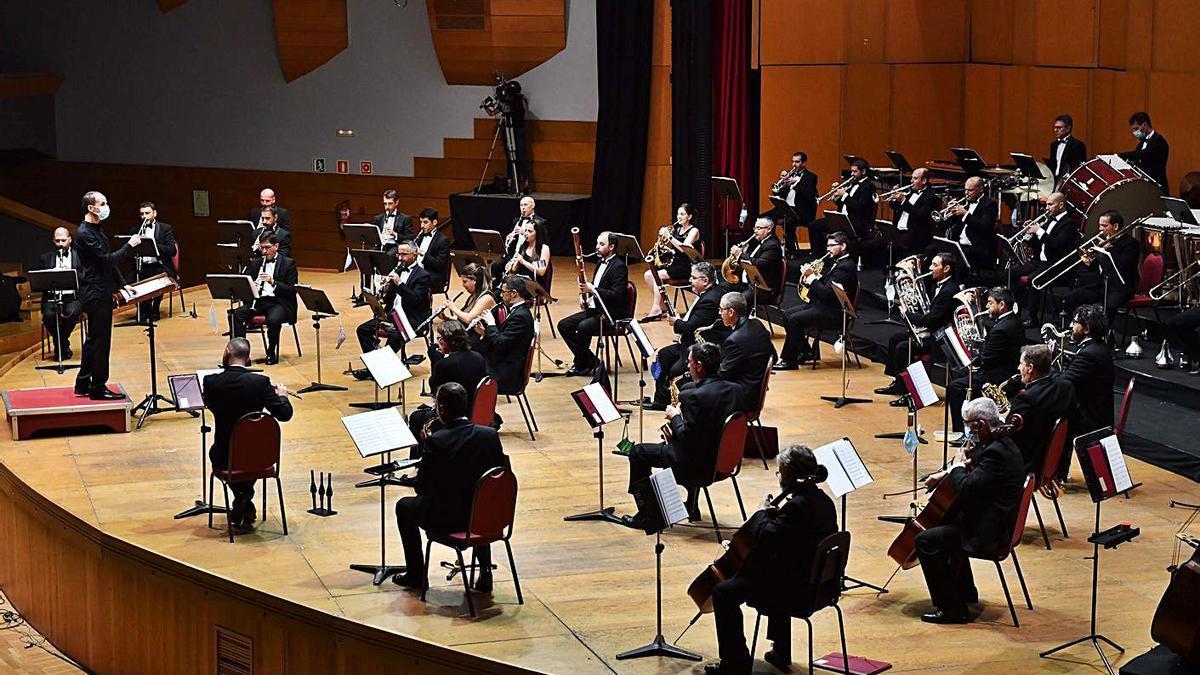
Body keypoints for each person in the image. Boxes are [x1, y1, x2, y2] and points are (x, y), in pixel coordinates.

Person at [704, 445, 838, 674]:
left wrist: (760, 512)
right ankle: (780, 652)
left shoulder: (797, 505)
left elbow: (767, 537)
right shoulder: (824, 501)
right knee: (778, 569)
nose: (780, 477)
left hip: (796, 592)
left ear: (789, 473)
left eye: (781, 472)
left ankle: (734, 664)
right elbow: (792, 537)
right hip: (821, 587)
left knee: (723, 593)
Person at [915, 397, 1025, 624]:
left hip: (988, 534)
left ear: (981, 424)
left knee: (926, 541)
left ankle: (952, 608)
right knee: (951, 524)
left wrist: (955, 467)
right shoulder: (1003, 444)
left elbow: (966, 486)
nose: (966, 431)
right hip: (996, 522)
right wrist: (947, 473)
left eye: (968, 425)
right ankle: (965, 592)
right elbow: (977, 472)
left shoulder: (994, 454)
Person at [392, 382, 508, 592]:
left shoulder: (437, 442)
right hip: (488, 518)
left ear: (442, 409)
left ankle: (416, 575)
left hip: (448, 520)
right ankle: (485, 573)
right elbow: (502, 473)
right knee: (479, 499)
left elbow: (422, 488)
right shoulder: (488, 435)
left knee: (403, 506)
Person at [622, 342, 743, 526]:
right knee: (696, 444)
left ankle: (647, 515)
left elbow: (687, 438)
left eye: (689, 362)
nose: (687, 366)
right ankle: (692, 506)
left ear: (699, 366)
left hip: (696, 465)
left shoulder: (695, 397)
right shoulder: (736, 390)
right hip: (723, 461)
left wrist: (675, 417)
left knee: (638, 452)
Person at [202, 338, 294, 529]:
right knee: (248, 455)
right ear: (249, 357)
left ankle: (242, 496)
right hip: (261, 456)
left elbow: (211, 405)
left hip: (225, 455)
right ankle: (245, 497)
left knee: (221, 454)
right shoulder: (260, 383)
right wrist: (283, 396)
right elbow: (284, 415)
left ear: (227, 352)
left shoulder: (211, 382)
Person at [74, 191, 139, 400]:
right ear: (91, 208)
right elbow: (107, 260)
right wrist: (130, 246)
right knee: (101, 342)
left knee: (94, 339)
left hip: (101, 288)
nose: (106, 207)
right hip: (95, 292)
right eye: (102, 204)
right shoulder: (84, 233)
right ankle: (98, 387)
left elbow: (109, 265)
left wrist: (123, 285)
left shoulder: (96, 230)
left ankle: (83, 383)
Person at [876, 252, 961, 398]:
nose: (930, 268)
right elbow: (929, 312)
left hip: (940, 340)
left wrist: (907, 313)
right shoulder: (938, 285)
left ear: (946, 269)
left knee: (903, 347)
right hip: (931, 332)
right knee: (895, 338)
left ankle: (908, 391)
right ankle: (899, 382)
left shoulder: (949, 290)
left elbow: (931, 320)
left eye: (935, 265)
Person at [644, 261, 723, 410]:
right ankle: (661, 401)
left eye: (693, 278)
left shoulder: (710, 301)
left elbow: (689, 327)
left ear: (705, 281)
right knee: (663, 355)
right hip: (687, 342)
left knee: (675, 370)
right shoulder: (706, 294)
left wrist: (676, 322)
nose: (690, 281)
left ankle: (680, 403)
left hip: (698, 346)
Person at [947, 287, 1024, 435]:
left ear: (1001, 305)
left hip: (996, 375)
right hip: (1002, 368)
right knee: (958, 372)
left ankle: (961, 432)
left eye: (990, 303)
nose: (987, 306)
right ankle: (973, 421)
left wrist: (973, 355)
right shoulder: (1012, 320)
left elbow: (986, 360)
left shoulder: (1002, 328)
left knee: (955, 387)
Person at [776, 232, 858, 369]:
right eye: (828, 246)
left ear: (843, 246)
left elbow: (827, 294)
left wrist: (812, 278)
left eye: (832, 246)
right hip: (823, 307)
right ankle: (806, 351)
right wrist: (811, 277)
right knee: (786, 314)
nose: (828, 249)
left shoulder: (845, 268)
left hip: (834, 314)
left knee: (794, 319)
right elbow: (826, 287)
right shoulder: (838, 264)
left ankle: (789, 360)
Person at [407, 321, 487, 460]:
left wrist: (436, 362)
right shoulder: (478, 357)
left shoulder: (444, 364)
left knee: (416, 417)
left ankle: (419, 463)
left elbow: (435, 392)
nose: (437, 342)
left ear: (446, 342)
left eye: (439, 339)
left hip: (452, 416)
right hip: (476, 410)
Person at [558, 231, 629, 376]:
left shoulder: (619, 267)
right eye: (597, 243)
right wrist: (585, 296)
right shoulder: (599, 263)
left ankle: (580, 365)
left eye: (601, 244)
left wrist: (593, 289)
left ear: (611, 247)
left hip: (610, 313)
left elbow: (616, 296)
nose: (597, 247)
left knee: (583, 327)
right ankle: (591, 361)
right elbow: (595, 289)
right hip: (596, 309)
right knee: (564, 325)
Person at [355, 241, 431, 367]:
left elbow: (415, 300)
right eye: (399, 254)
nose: (400, 258)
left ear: (415, 255)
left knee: (396, 335)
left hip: (411, 318)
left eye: (404, 254)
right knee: (363, 330)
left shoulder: (423, 276)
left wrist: (399, 283)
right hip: (392, 315)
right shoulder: (399, 270)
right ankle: (376, 365)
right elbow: (390, 297)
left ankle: (378, 367)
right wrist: (384, 291)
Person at [1008, 344, 1076, 473]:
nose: (1018, 367)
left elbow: (1011, 435)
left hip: (1026, 462)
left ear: (1030, 368)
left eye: (1021, 364)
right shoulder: (1066, 388)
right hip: (1053, 461)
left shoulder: (1026, 398)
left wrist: (1001, 418)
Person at [1063, 209, 1139, 324]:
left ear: (1116, 226)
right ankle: (1074, 330)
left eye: (1104, 225)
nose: (1100, 229)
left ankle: (1103, 336)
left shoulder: (1130, 243)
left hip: (1121, 287)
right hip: (1103, 284)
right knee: (1071, 297)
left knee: (1106, 307)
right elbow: (1100, 267)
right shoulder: (1104, 241)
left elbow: (1123, 267)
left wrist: (1110, 250)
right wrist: (1090, 262)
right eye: (1100, 225)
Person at [232, 232, 298, 365]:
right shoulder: (256, 264)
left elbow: (292, 290)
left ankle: (271, 351)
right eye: (262, 248)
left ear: (276, 246)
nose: (264, 251)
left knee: (273, 320)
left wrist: (273, 282)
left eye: (267, 247)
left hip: (279, 302)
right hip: (260, 301)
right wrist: (252, 287)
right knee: (236, 315)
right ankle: (241, 355)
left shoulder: (288, 264)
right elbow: (245, 284)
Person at [1015, 192, 1078, 326]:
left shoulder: (1069, 224)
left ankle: (1033, 318)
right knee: (1012, 272)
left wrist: (1039, 231)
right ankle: (1015, 312)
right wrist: (1030, 234)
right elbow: (1040, 245)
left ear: (1061, 205)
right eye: (1046, 204)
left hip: (1057, 265)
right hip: (1040, 262)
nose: (1047, 207)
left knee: (1033, 280)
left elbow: (1056, 245)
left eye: (1050, 204)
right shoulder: (1049, 221)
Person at [1060, 304, 1114, 443]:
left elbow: (1064, 383)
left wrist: (1047, 367)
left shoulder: (1088, 354)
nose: (1071, 325)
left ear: (1086, 329)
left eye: (1075, 322)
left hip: (1089, 421)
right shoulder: (1100, 347)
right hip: (1100, 413)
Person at [716, 292, 777, 411]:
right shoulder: (757, 324)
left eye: (721, 309)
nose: (720, 313)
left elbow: (723, 374)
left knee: (691, 390)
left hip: (743, 396)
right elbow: (774, 356)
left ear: (731, 312)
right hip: (755, 389)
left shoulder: (734, 340)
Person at [475, 275, 536, 394]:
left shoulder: (521, 317)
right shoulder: (516, 311)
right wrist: (485, 332)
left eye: (503, 292)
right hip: (503, 362)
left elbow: (500, 343)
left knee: (466, 370)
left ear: (514, 293)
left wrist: (491, 324)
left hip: (507, 374)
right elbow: (506, 340)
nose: (501, 295)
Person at [641, 203, 701, 320]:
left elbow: (683, 248)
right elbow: (673, 248)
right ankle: (663, 306)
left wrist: (669, 236)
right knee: (648, 275)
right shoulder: (677, 229)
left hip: (688, 266)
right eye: (678, 214)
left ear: (689, 217)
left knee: (656, 275)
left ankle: (656, 309)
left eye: (682, 214)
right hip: (675, 263)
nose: (678, 217)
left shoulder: (694, 231)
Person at [38, 227, 83, 360]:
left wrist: (70, 275)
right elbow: (41, 282)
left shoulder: (79, 256)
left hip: (73, 296)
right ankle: (63, 344)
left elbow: (86, 277)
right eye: (57, 241)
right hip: (52, 296)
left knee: (72, 312)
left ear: (70, 239)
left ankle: (60, 344)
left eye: (63, 240)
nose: (61, 244)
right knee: (49, 315)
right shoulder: (45, 258)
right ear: (53, 241)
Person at [129, 201, 177, 322]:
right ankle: (144, 308)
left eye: (147, 213)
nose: (144, 216)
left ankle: (154, 308)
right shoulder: (135, 230)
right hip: (142, 266)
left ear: (154, 213)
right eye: (142, 214)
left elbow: (172, 250)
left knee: (157, 279)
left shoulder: (165, 228)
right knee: (128, 282)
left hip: (160, 265)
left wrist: (154, 245)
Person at [725, 217, 783, 309]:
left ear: (768, 229)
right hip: (749, 283)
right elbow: (752, 258)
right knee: (723, 287)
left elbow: (759, 264)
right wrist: (742, 253)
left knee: (739, 301)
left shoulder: (772, 245)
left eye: (759, 228)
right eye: (755, 228)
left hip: (764, 289)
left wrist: (740, 254)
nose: (755, 231)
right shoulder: (760, 242)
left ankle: (741, 322)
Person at [944, 176, 998, 271]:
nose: (966, 193)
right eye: (965, 190)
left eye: (970, 190)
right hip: (959, 244)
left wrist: (965, 214)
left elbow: (983, 227)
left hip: (977, 247)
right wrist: (949, 211)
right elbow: (945, 225)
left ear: (980, 189)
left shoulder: (989, 205)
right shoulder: (966, 203)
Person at [440, 262, 497, 353]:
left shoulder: (486, 298)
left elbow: (469, 319)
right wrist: (446, 318)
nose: (463, 285)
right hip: (469, 335)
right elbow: (462, 317)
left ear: (474, 280)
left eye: (465, 281)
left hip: (479, 341)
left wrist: (453, 308)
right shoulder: (473, 296)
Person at [886, 167, 940, 257]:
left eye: (915, 178)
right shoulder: (910, 192)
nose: (911, 181)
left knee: (892, 245)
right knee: (881, 242)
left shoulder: (931, 197)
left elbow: (920, 215)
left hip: (914, 234)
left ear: (924, 181)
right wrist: (893, 196)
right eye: (912, 178)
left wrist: (904, 200)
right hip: (899, 231)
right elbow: (893, 206)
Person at [492, 196, 546, 281]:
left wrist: (524, 232)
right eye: (521, 205)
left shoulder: (540, 222)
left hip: (526, 254)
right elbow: (513, 242)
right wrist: (509, 238)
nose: (523, 208)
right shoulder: (516, 221)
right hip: (513, 254)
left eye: (525, 205)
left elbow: (542, 240)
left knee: (514, 273)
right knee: (496, 266)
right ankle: (498, 289)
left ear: (533, 206)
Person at [1118, 111, 1170, 195]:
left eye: (1136, 128)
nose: (1135, 133)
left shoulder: (1159, 141)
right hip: (1144, 189)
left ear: (1144, 125)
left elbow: (1142, 154)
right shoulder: (1140, 144)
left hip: (1157, 189)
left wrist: (1119, 156)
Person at [497, 217, 550, 291]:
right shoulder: (524, 246)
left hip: (535, 286)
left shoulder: (543, 249)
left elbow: (541, 271)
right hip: (521, 283)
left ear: (537, 233)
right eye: (525, 230)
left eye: (529, 231)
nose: (526, 233)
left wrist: (523, 262)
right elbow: (514, 270)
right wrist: (512, 266)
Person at [413, 207, 452, 293]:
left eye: (425, 222)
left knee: (412, 282)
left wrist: (422, 254)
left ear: (434, 222)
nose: (422, 226)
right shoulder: (420, 236)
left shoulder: (443, 240)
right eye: (421, 222)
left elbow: (439, 265)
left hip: (433, 276)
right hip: (418, 271)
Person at [372, 189, 414, 256]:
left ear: (396, 202)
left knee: (388, 256)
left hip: (395, 246)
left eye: (390, 203)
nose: (387, 207)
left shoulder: (405, 219)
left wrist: (395, 234)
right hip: (380, 245)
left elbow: (410, 238)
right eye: (385, 204)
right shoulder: (378, 218)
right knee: (368, 254)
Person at [1047, 114, 1087, 185]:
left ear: (1068, 128)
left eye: (1059, 128)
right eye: (1055, 127)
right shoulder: (1054, 145)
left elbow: (1080, 168)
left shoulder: (1077, 145)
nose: (1055, 130)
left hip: (1068, 183)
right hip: (1054, 181)